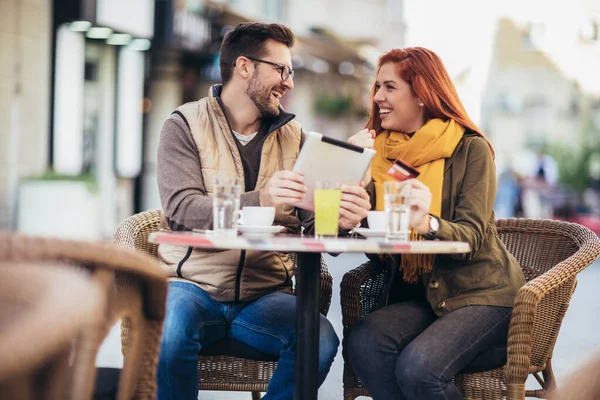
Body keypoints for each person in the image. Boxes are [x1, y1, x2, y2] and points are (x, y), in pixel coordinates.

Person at [155, 22, 370, 400]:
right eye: (281, 69)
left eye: (291, 71)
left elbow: (315, 229)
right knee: (171, 331)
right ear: (244, 67)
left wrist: (341, 219)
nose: (289, 82)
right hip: (193, 286)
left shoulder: (297, 138)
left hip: (263, 295)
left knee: (319, 340)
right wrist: (261, 199)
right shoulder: (184, 125)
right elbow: (181, 208)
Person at [345, 47, 526, 400]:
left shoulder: (471, 150)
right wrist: (351, 171)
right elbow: (370, 241)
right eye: (376, 87)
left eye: (389, 87)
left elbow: (472, 235)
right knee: (365, 341)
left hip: (483, 295)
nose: (377, 97)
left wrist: (426, 222)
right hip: (423, 298)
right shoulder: (379, 156)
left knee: (418, 368)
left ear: (423, 95)